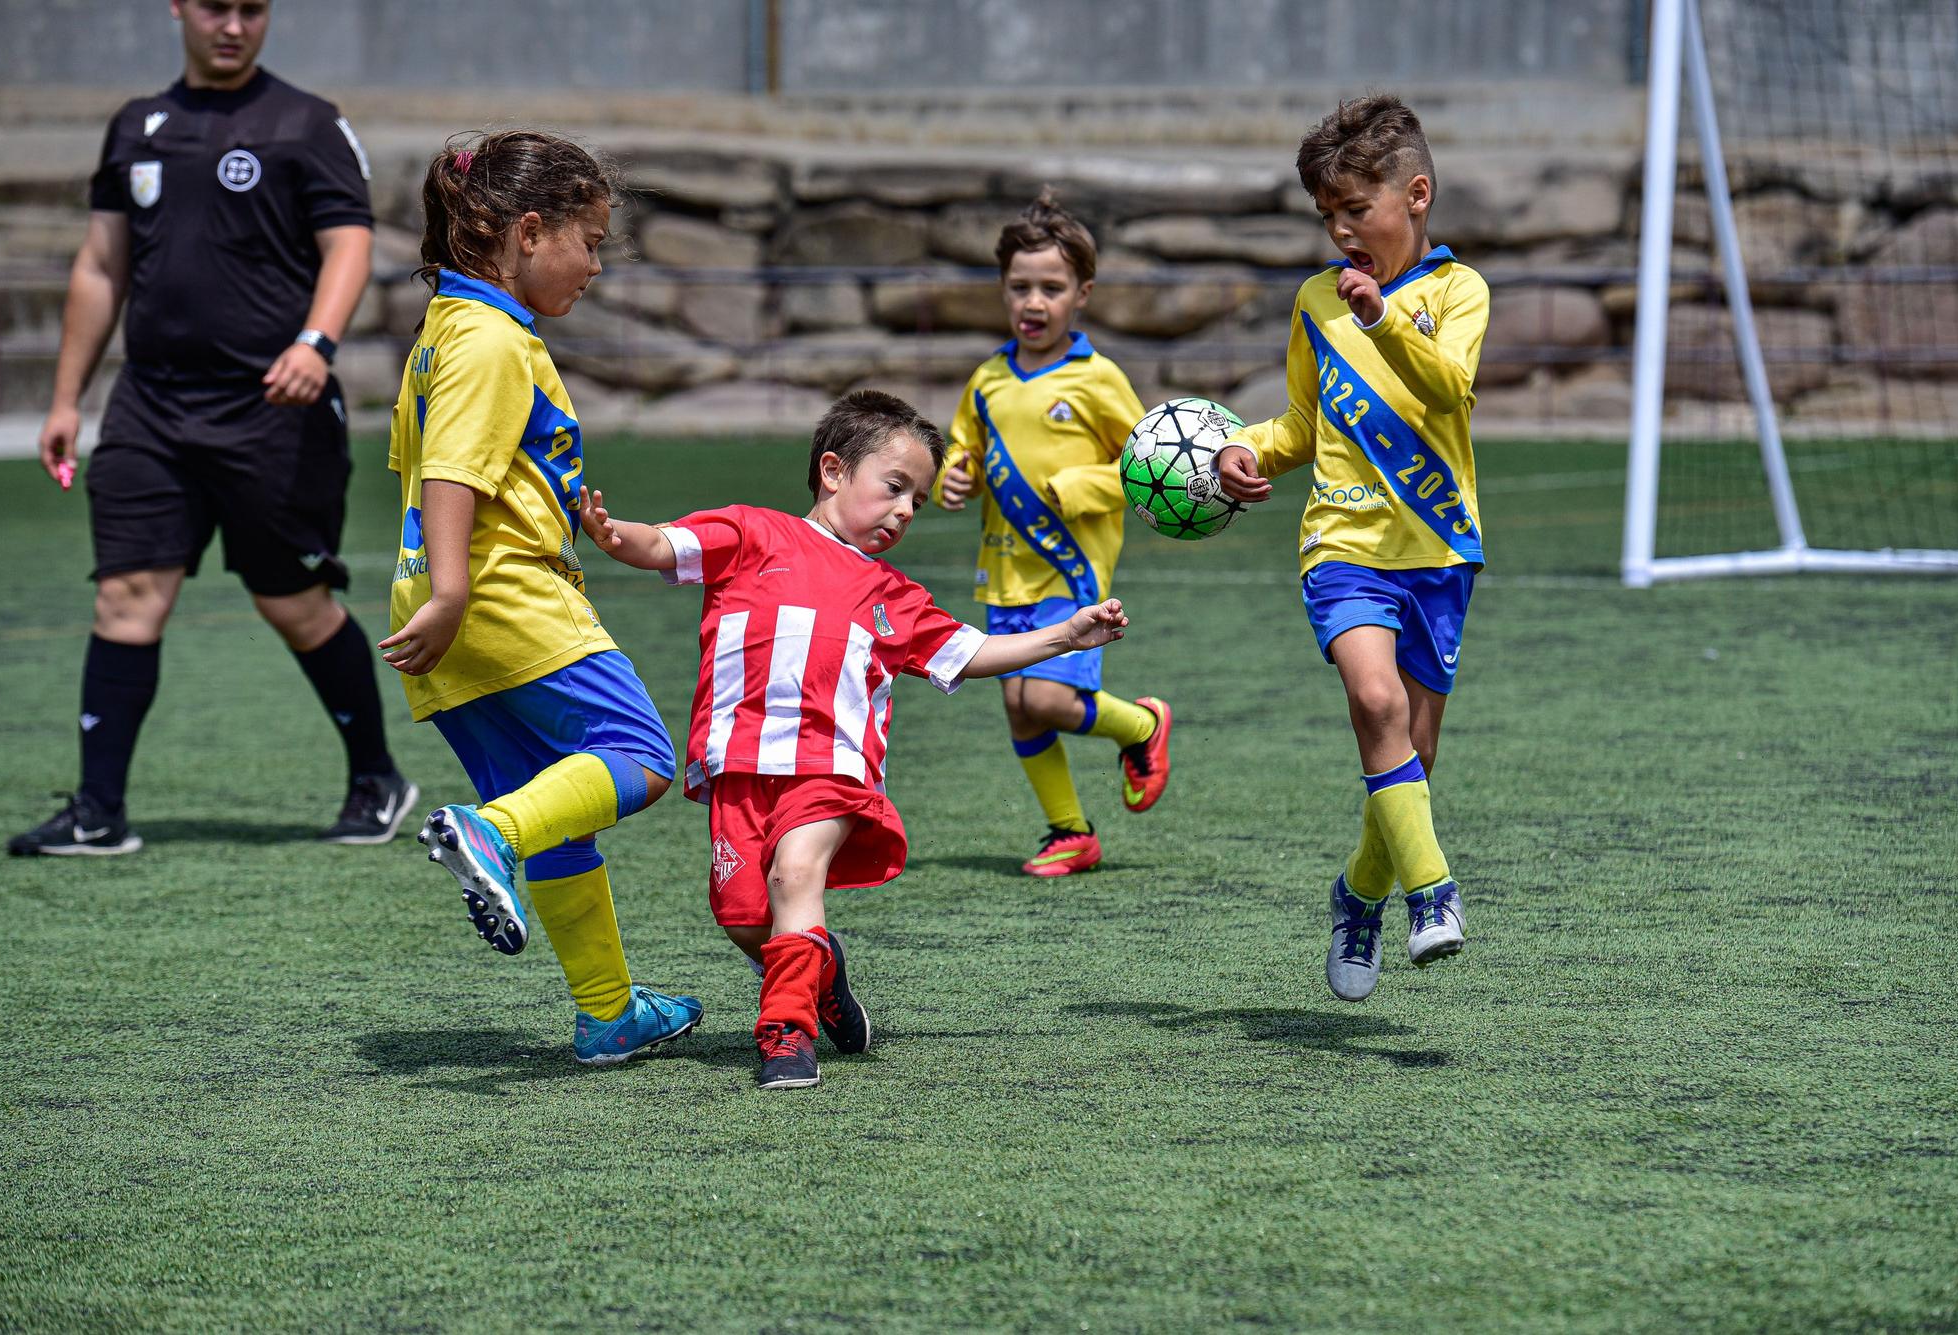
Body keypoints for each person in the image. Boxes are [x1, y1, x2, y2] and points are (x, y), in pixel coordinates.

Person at [578, 389, 1132, 1091]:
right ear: (833, 471)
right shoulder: (751, 533)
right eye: (895, 487)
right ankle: (824, 975)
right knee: (744, 912)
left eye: (918, 502)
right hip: (740, 764)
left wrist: (1065, 635)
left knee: (795, 875)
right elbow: (662, 543)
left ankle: (786, 1035)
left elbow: (971, 651)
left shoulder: (892, 592)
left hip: (832, 767)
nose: (905, 510)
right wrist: (610, 533)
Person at [9, 0, 412, 857]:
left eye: (252, 10)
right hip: (150, 407)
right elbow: (100, 264)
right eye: (215, 7)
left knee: (293, 602)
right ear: (178, 10)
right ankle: (97, 811)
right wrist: (65, 397)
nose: (233, 25)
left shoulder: (307, 123)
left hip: (274, 408)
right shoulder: (136, 126)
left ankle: (377, 778)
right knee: (125, 597)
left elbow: (349, 244)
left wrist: (315, 342)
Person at [382, 129, 702, 1067]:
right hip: (498, 597)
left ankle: (607, 1013)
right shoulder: (491, 337)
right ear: (528, 231)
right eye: (590, 240)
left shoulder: (445, 326)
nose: (597, 265)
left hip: (447, 616)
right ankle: (490, 834)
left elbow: (419, 465)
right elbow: (448, 472)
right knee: (640, 758)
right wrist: (453, 589)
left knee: (561, 804)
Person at [1215, 94, 1491, 1003]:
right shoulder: (1313, 303)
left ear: (1414, 196)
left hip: (1439, 548)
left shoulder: (1459, 291)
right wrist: (1246, 449)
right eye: (1325, 215)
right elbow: (1301, 421)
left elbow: (1450, 388)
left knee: (1412, 752)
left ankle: (1358, 893)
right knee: (1373, 700)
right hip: (1342, 542)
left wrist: (1383, 321)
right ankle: (1433, 892)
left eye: (1355, 209)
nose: (1339, 231)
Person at [934, 191, 1172, 879]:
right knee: (1019, 705)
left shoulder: (1097, 380)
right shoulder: (986, 381)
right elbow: (965, 450)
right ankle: (1070, 830)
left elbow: (1148, 466)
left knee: (1044, 696)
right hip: (1005, 570)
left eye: (1051, 287)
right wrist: (957, 477)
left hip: (1071, 569)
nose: (1033, 302)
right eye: (1019, 287)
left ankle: (1143, 726)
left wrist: (1074, 489)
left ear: (1083, 294)